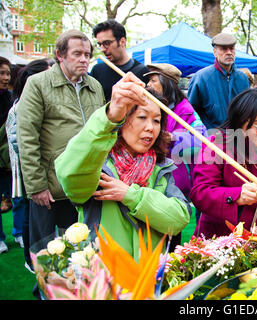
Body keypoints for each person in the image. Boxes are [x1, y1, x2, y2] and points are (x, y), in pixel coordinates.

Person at [55, 74, 191, 260]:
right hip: (103, 276)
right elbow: (70, 177)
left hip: (148, 278)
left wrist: (131, 195)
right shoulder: (97, 163)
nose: (150, 128)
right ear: (122, 120)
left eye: (157, 120)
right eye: (142, 117)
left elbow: (178, 219)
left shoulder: (161, 167)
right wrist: (110, 116)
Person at [16, 30, 105, 248]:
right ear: (60, 55)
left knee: (87, 251)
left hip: (89, 185)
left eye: (87, 54)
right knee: (49, 255)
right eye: (77, 53)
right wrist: (36, 186)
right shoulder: (38, 83)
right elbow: (27, 137)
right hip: (52, 188)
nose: (84, 59)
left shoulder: (95, 86)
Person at [190, 88, 257, 239]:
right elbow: (200, 193)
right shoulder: (217, 146)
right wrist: (237, 195)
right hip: (219, 240)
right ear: (240, 121)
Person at [4, 59, 51, 268]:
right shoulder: (21, 105)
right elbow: (17, 142)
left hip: (39, 168)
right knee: (29, 210)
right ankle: (29, 258)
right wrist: (34, 167)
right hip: (28, 170)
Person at [145, 63, 207, 200]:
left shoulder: (186, 111)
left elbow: (202, 141)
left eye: (153, 80)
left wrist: (174, 138)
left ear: (166, 84)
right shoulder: (151, 106)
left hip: (178, 183)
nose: (148, 84)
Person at [187, 32, 249, 129]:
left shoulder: (243, 78)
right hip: (211, 138)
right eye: (223, 49)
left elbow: (247, 109)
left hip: (238, 137)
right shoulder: (201, 77)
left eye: (231, 48)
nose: (229, 52)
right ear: (215, 52)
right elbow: (191, 112)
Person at [90, 19, 149, 102]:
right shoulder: (97, 71)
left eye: (107, 43)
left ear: (122, 41)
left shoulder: (143, 72)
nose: (102, 49)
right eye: (100, 44)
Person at [0, 56, 14, 254]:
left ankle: (16, 232)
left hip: (7, 158)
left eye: (7, 73)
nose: (5, 77)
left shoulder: (10, 98)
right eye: (1, 73)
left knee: (11, 197)